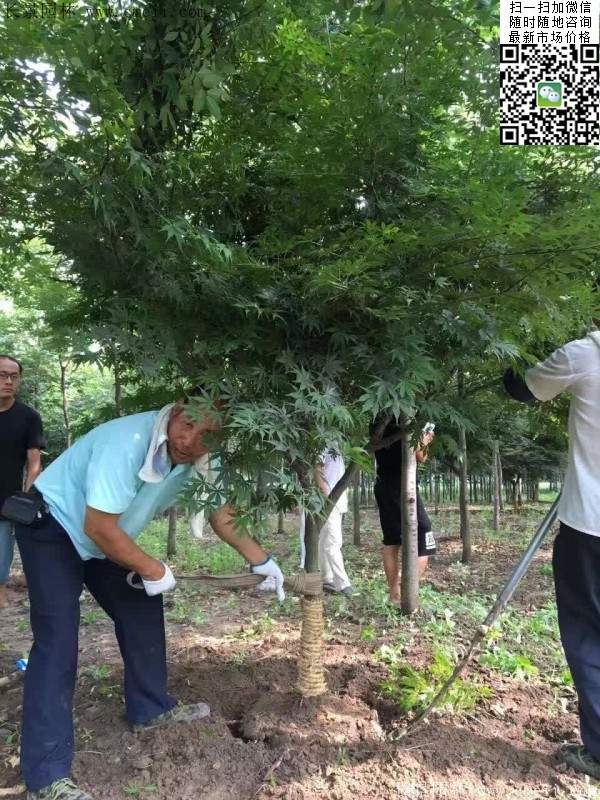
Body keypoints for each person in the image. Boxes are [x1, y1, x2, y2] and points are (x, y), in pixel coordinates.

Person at [11, 394, 285, 800]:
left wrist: (262, 561)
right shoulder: (128, 441)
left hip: (105, 538)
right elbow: (99, 526)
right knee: (58, 641)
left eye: (207, 434)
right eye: (187, 424)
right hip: (54, 528)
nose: (190, 440)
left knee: (140, 605)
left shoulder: (207, 460)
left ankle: (150, 709)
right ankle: (46, 777)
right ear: (173, 413)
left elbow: (221, 513)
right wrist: (153, 568)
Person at [503, 330, 600, 780]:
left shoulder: (585, 353)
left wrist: (503, 363)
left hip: (591, 527)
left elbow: (526, 389)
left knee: (586, 636)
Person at [371, 419, 436, 606]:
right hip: (403, 486)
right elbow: (420, 456)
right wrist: (425, 441)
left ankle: (394, 594)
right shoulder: (409, 419)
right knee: (424, 535)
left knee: (391, 540)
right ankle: (406, 588)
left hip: (383, 484)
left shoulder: (377, 420)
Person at [0, 354, 44, 609]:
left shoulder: (28, 417)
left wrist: (25, 499)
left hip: (10, 503)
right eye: (3, 375)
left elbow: (34, 462)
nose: (8, 381)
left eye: (13, 376)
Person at [299, 448, 353, 596]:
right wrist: (327, 495)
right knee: (334, 542)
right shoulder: (323, 441)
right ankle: (343, 583)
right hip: (328, 499)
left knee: (324, 539)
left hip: (335, 499)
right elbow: (317, 469)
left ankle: (326, 577)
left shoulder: (336, 443)